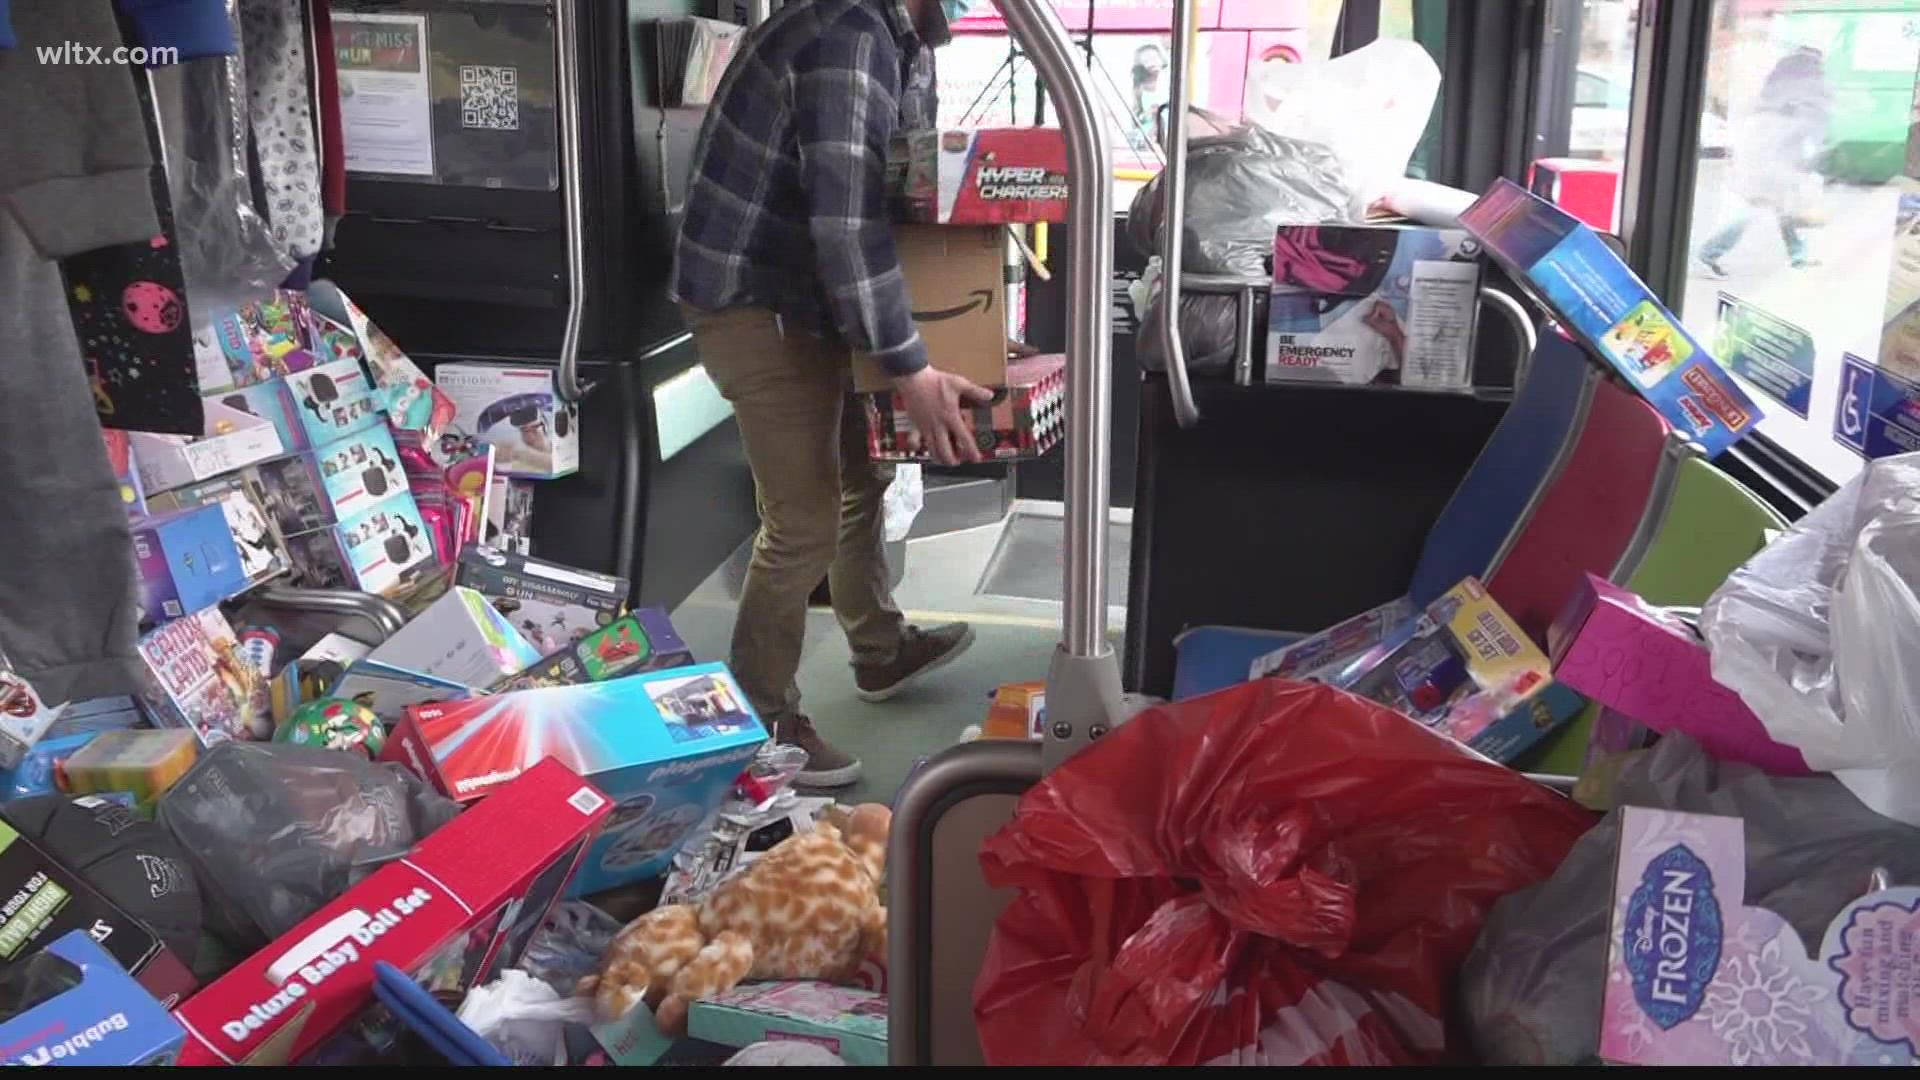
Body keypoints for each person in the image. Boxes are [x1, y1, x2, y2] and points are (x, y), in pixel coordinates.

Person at [673, 0, 985, 788]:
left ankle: (879, 650)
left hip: (808, 297)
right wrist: (911, 368)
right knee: (801, 519)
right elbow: (846, 223)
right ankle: (758, 721)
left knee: (863, 473)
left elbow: (899, 187)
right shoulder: (849, 35)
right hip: (755, 299)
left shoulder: (903, 42)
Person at [1696, 46, 1833, 278]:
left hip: (1763, 150)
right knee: (1761, 207)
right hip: (1778, 155)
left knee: (1785, 205)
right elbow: (1811, 121)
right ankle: (1710, 252)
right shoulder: (1809, 86)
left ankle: (1798, 255)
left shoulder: (1777, 82)